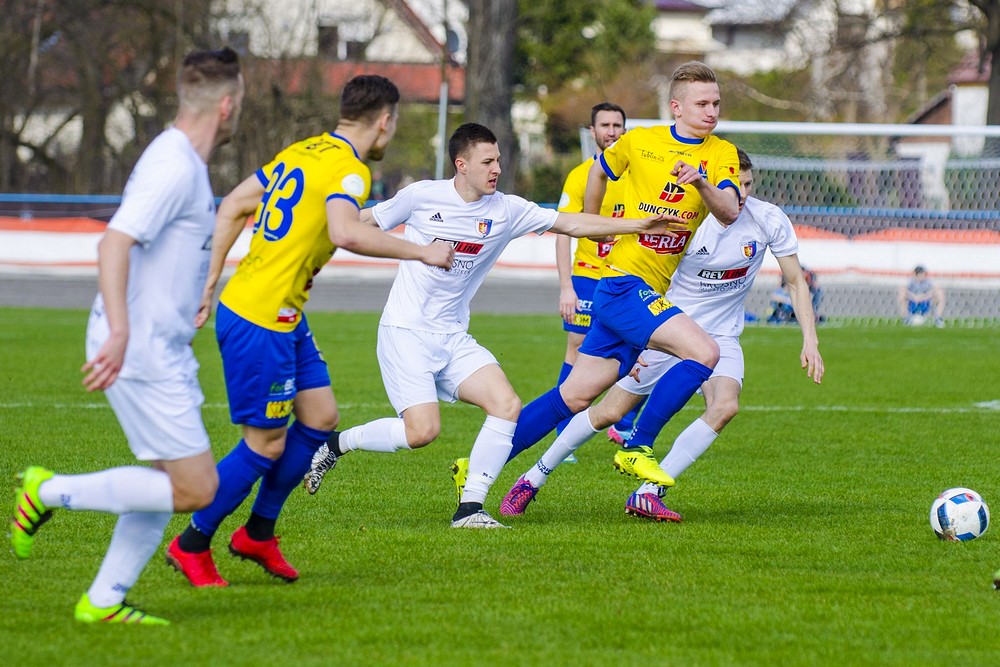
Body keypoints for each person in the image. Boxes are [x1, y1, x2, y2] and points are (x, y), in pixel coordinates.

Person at [302, 122, 681, 529]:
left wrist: (638, 226)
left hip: (453, 336)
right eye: (487, 161)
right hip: (406, 333)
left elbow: (571, 223)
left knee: (506, 405)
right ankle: (335, 445)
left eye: (498, 159)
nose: (496, 168)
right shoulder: (421, 195)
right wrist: (312, 228)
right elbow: (362, 224)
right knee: (421, 433)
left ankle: (470, 509)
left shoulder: (508, 209)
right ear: (461, 164)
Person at [165, 75, 455, 587]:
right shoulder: (349, 169)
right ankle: (191, 542)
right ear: (385, 121)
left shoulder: (301, 151)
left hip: (279, 312)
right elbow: (345, 231)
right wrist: (423, 251)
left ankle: (257, 533)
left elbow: (232, 204)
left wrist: (210, 285)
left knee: (320, 417)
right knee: (264, 444)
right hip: (261, 317)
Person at [8, 48, 244, 624]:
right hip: (139, 350)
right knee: (195, 488)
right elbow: (114, 242)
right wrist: (119, 331)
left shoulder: (177, 156)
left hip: (159, 344)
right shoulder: (176, 165)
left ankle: (104, 601)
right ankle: (49, 491)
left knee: (164, 482)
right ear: (228, 105)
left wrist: (194, 294)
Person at [500, 149, 825, 520]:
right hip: (666, 328)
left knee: (725, 406)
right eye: (734, 185)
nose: (741, 193)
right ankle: (533, 477)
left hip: (721, 335)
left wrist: (810, 340)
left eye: (747, 184)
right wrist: (640, 339)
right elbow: (652, 277)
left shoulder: (768, 219)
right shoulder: (689, 220)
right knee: (607, 412)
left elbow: (796, 281)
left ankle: (649, 491)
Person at [500, 61, 741, 490]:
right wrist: (594, 226)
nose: (712, 111)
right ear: (676, 107)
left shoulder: (719, 153)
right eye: (702, 103)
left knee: (573, 395)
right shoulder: (641, 142)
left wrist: (702, 182)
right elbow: (597, 169)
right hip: (623, 283)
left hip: (641, 290)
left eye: (716, 103)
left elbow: (728, 212)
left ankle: (480, 460)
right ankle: (636, 447)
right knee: (704, 352)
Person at [554, 102, 645, 455]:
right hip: (589, 276)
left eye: (617, 125)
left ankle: (622, 423)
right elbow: (563, 232)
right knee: (577, 347)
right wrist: (566, 286)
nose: (611, 131)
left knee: (646, 349)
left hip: (627, 276)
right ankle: (564, 429)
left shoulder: (636, 175)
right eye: (604, 125)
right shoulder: (580, 176)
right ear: (592, 132)